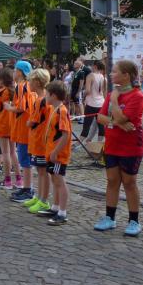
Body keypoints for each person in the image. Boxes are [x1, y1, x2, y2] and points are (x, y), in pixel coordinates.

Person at [93, 60, 143, 236]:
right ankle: (110, 217)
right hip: (112, 145)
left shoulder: (137, 96)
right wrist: (118, 124)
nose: (111, 74)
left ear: (126, 75)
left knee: (129, 183)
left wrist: (115, 102)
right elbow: (100, 117)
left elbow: (122, 117)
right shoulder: (111, 94)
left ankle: (134, 220)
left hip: (130, 146)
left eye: (114, 71)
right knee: (112, 180)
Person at [43, 81, 73, 225]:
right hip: (52, 153)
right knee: (55, 180)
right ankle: (55, 207)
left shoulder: (62, 111)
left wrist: (55, 152)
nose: (45, 96)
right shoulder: (54, 109)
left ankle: (62, 213)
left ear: (53, 95)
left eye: (47, 94)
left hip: (58, 156)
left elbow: (65, 135)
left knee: (60, 181)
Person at [24, 68, 52, 214]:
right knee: (39, 171)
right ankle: (39, 197)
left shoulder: (41, 100)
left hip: (40, 141)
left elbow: (33, 121)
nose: (29, 83)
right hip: (37, 140)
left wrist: (28, 122)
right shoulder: (41, 98)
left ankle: (44, 200)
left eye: (30, 81)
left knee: (43, 171)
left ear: (37, 82)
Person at [6, 61, 33, 201]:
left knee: (25, 160)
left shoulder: (21, 86)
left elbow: (22, 107)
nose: (13, 73)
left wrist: (9, 107)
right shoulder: (28, 85)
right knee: (25, 160)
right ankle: (26, 187)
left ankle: (28, 189)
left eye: (15, 70)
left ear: (20, 72)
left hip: (23, 128)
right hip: (26, 127)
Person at [0, 68, 16, 189]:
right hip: (13, 124)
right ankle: (18, 179)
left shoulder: (1, 92)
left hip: (3, 125)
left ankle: (7, 180)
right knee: (13, 152)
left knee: (5, 153)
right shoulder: (15, 91)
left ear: (1, 80)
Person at [81, 60, 106, 143]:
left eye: (92, 65)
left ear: (95, 66)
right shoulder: (102, 76)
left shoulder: (90, 76)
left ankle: (79, 142)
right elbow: (104, 92)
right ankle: (99, 144)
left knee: (87, 124)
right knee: (101, 125)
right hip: (101, 103)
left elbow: (88, 90)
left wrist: (83, 96)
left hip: (91, 103)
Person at [70, 58, 91, 122]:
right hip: (73, 90)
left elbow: (81, 83)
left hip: (77, 91)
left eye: (75, 63)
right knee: (75, 103)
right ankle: (77, 116)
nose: (74, 65)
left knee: (80, 103)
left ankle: (83, 117)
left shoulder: (81, 72)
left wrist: (78, 92)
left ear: (78, 65)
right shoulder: (75, 72)